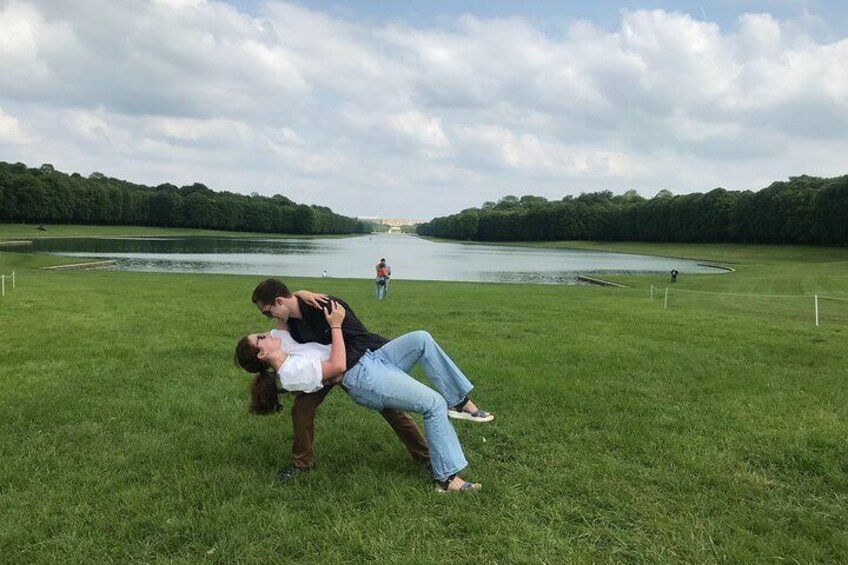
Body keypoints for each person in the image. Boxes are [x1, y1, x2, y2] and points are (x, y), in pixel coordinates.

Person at [248, 279, 493, 488]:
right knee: (302, 409)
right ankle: (302, 463)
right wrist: (300, 294)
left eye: (268, 312)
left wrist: (339, 369)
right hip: (325, 369)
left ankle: (432, 449)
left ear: (279, 302)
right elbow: (277, 332)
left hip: (354, 361)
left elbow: (359, 339)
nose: (269, 319)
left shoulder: (326, 306)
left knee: (392, 404)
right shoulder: (288, 323)